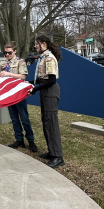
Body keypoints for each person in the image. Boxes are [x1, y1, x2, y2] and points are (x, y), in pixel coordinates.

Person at [28, 33, 63, 169]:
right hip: (44, 89)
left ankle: (58, 157)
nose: (35, 46)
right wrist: (29, 83)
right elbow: (42, 78)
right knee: (46, 121)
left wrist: (35, 89)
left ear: (44, 44)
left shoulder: (49, 58)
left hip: (50, 91)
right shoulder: (43, 57)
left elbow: (51, 80)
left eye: (37, 44)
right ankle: (51, 151)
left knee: (51, 122)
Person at [0, 41, 37, 152]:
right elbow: (0, 78)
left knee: (24, 118)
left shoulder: (20, 62)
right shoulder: (3, 63)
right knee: (14, 118)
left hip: (19, 94)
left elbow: (23, 76)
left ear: (15, 51)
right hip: (9, 94)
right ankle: (19, 140)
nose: (7, 55)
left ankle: (31, 141)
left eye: (10, 52)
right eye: (5, 53)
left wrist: (9, 74)